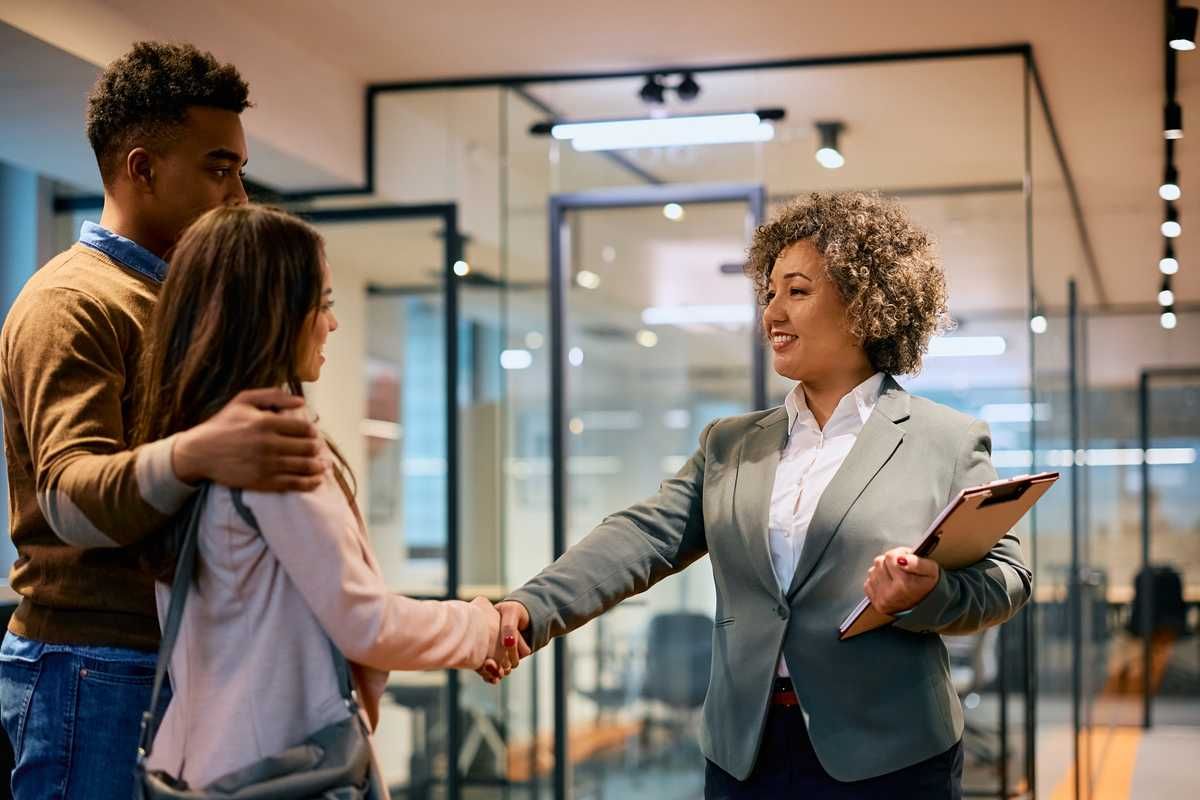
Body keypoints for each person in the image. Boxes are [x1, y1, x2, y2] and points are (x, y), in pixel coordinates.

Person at [483, 192, 1033, 799]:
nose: (772, 310)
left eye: (797, 291)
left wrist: (926, 594)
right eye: (768, 293)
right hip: (745, 749)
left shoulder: (946, 440)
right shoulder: (731, 444)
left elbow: (1007, 576)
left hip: (891, 751)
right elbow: (644, 536)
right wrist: (533, 607)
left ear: (863, 305)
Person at [0, 43, 324, 800]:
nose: (239, 194)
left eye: (240, 169)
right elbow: (72, 498)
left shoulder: (182, 304)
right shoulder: (72, 303)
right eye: (220, 168)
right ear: (142, 169)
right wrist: (205, 450)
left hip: (176, 657)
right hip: (98, 666)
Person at [136, 203, 500, 789]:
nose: (332, 324)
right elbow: (368, 623)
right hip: (282, 769)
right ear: (273, 313)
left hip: (199, 765)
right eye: (324, 305)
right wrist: (480, 627)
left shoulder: (187, 438)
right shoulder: (272, 449)